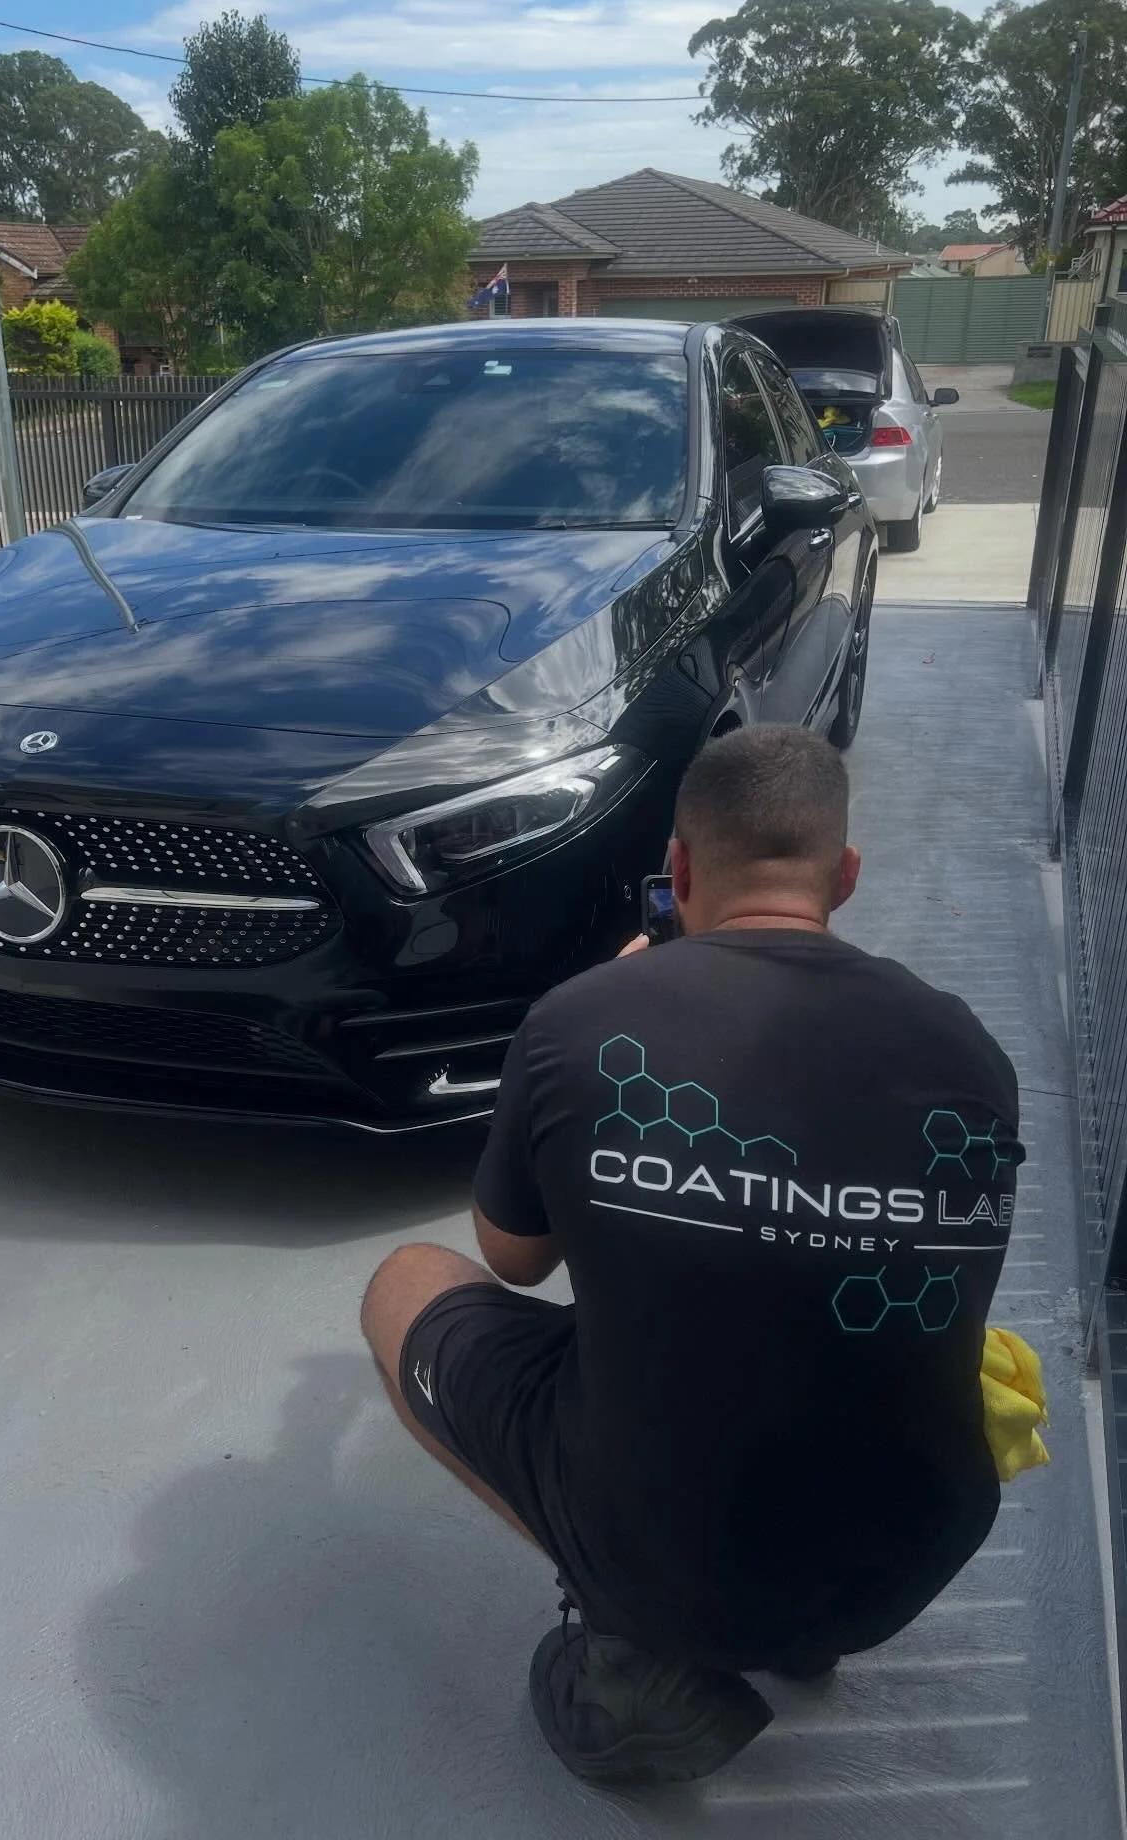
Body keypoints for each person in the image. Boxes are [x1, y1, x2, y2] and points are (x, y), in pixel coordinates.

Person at [360, 724, 1022, 1787]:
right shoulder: (971, 1051)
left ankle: (632, 1646)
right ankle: (805, 1639)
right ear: (844, 877)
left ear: (677, 869)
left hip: (685, 1559)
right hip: (914, 1550)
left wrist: (607, 1031)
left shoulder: (582, 1021)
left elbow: (511, 1257)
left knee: (406, 1284)